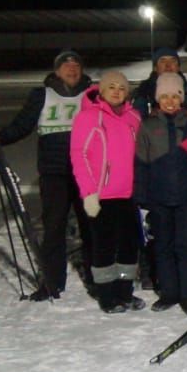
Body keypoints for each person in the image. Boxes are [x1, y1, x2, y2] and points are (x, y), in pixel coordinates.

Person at [0, 50, 94, 300]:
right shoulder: (42, 95)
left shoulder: (93, 95)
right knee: (54, 229)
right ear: (57, 70)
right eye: (66, 66)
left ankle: (98, 281)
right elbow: (20, 126)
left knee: (92, 227)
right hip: (54, 173)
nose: (72, 70)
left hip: (88, 172)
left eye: (76, 66)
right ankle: (51, 283)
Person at [135, 72, 187, 315]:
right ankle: (169, 293)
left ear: (181, 98)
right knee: (163, 247)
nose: (170, 101)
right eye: (165, 96)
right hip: (159, 198)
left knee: (186, 247)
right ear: (158, 98)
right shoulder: (148, 125)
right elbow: (140, 163)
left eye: (175, 96)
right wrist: (141, 196)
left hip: (186, 197)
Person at [70, 71, 143, 313]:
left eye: (121, 88)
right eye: (111, 87)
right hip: (101, 196)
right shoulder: (88, 117)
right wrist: (89, 192)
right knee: (103, 246)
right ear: (101, 91)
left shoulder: (134, 117)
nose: (116, 91)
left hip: (128, 194)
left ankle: (125, 292)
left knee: (129, 245)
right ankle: (107, 296)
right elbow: (78, 155)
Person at [130, 47, 187, 130]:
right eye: (162, 61)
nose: (168, 65)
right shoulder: (143, 92)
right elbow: (137, 126)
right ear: (155, 68)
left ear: (178, 67)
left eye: (173, 61)